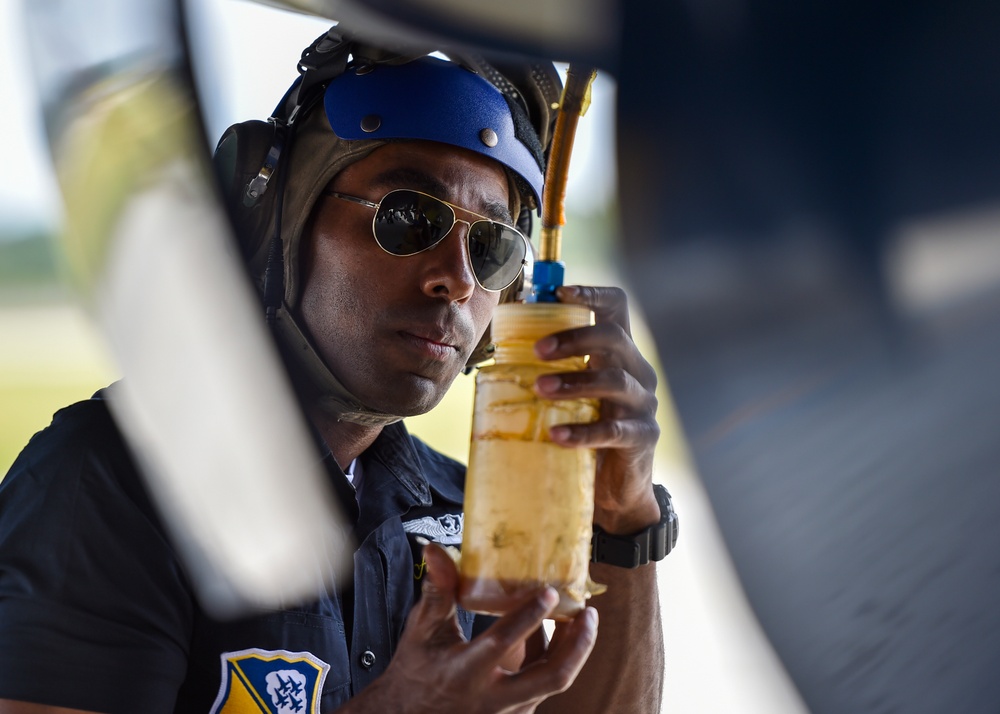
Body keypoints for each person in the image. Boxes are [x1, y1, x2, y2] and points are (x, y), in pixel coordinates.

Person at [0, 30, 672, 713]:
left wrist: (624, 520)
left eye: (491, 246)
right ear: (270, 222)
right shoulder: (109, 480)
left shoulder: (473, 513)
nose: (457, 279)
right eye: (410, 218)